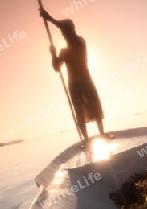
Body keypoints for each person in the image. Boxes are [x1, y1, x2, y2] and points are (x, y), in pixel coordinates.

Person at [39, 8, 110, 141]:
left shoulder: (80, 42)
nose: (65, 34)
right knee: (79, 111)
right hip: (73, 84)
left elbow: (65, 27)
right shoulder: (64, 51)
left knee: (95, 106)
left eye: (67, 31)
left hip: (86, 80)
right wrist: (53, 54)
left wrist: (49, 18)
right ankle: (86, 139)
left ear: (72, 30)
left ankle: (102, 134)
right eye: (64, 33)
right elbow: (56, 68)